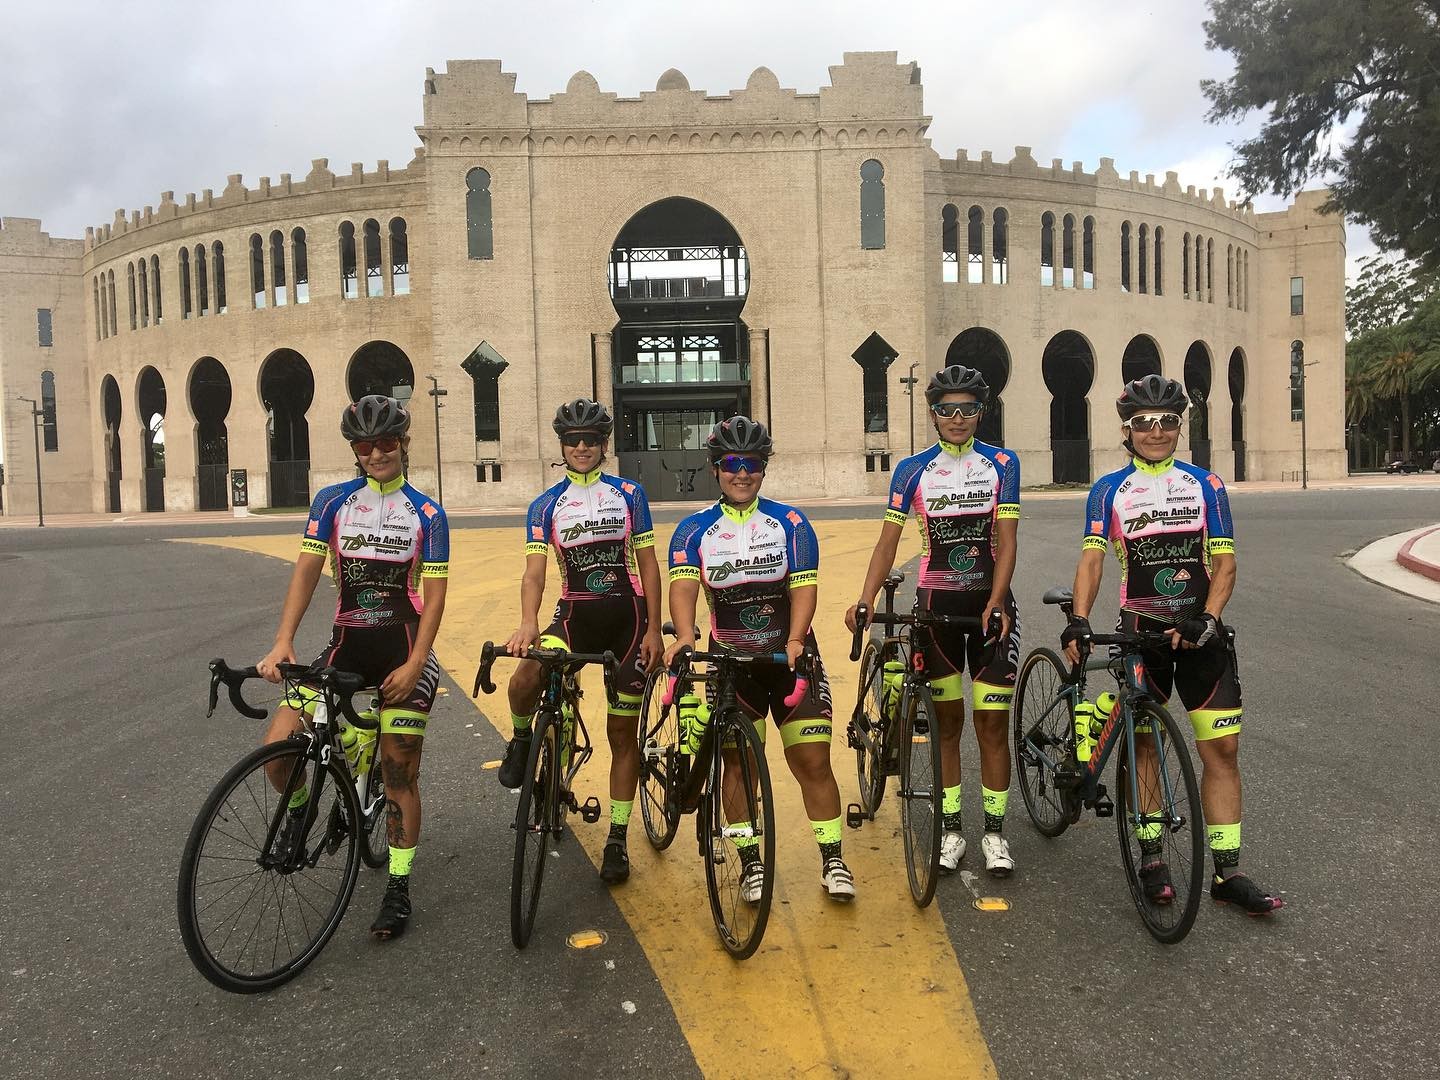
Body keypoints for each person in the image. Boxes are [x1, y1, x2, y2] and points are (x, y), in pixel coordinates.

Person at [1061, 374, 1282, 915]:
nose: (1156, 431)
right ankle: (1153, 855)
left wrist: (1208, 616)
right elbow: (1092, 560)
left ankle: (1228, 873)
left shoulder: (1207, 485)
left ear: (1180, 427)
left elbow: (1225, 563)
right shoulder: (1108, 490)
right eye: (1145, 423)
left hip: (1201, 632)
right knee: (1145, 746)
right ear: (1127, 430)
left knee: (1223, 749)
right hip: (1143, 634)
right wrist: (1079, 619)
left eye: (1167, 422)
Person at [257, 394, 449, 941]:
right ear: (355, 452)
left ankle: (398, 885)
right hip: (346, 645)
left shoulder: (428, 514)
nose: (376, 453)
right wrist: (283, 642)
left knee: (398, 771)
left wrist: (416, 663)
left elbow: (432, 598)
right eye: (364, 445)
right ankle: (299, 812)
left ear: (403, 444)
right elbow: (306, 570)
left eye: (386, 442)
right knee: (277, 753)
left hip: (403, 649)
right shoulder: (332, 503)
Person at [666, 416, 855, 901]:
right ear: (716, 469)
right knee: (740, 768)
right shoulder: (693, 531)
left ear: (764, 469)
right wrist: (685, 637)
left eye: (752, 463)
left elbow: (804, 589)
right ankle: (751, 862)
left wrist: (795, 639)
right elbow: (684, 588)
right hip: (731, 665)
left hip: (787, 657)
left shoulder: (791, 523)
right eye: (732, 463)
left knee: (812, 760)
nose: (742, 473)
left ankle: (833, 860)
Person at [846, 365, 1022, 877]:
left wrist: (998, 599)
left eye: (968, 409)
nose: (958, 418)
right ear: (933, 415)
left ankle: (993, 832)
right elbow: (888, 542)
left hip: (989, 607)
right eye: (948, 410)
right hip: (936, 606)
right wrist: (864, 598)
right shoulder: (912, 470)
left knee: (992, 724)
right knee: (948, 724)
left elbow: (1007, 543)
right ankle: (950, 828)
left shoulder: (1003, 465)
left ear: (979, 413)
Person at [497, 399, 662, 885]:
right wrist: (528, 622)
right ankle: (523, 739)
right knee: (526, 674)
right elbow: (534, 571)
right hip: (573, 615)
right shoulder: (545, 505)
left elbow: (649, 564)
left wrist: (654, 628)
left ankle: (616, 836)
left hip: (627, 620)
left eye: (591, 439)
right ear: (563, 447)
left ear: (604, 445)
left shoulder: (630, 494)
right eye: (573, 440)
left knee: (620, 734)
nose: (583, 447)